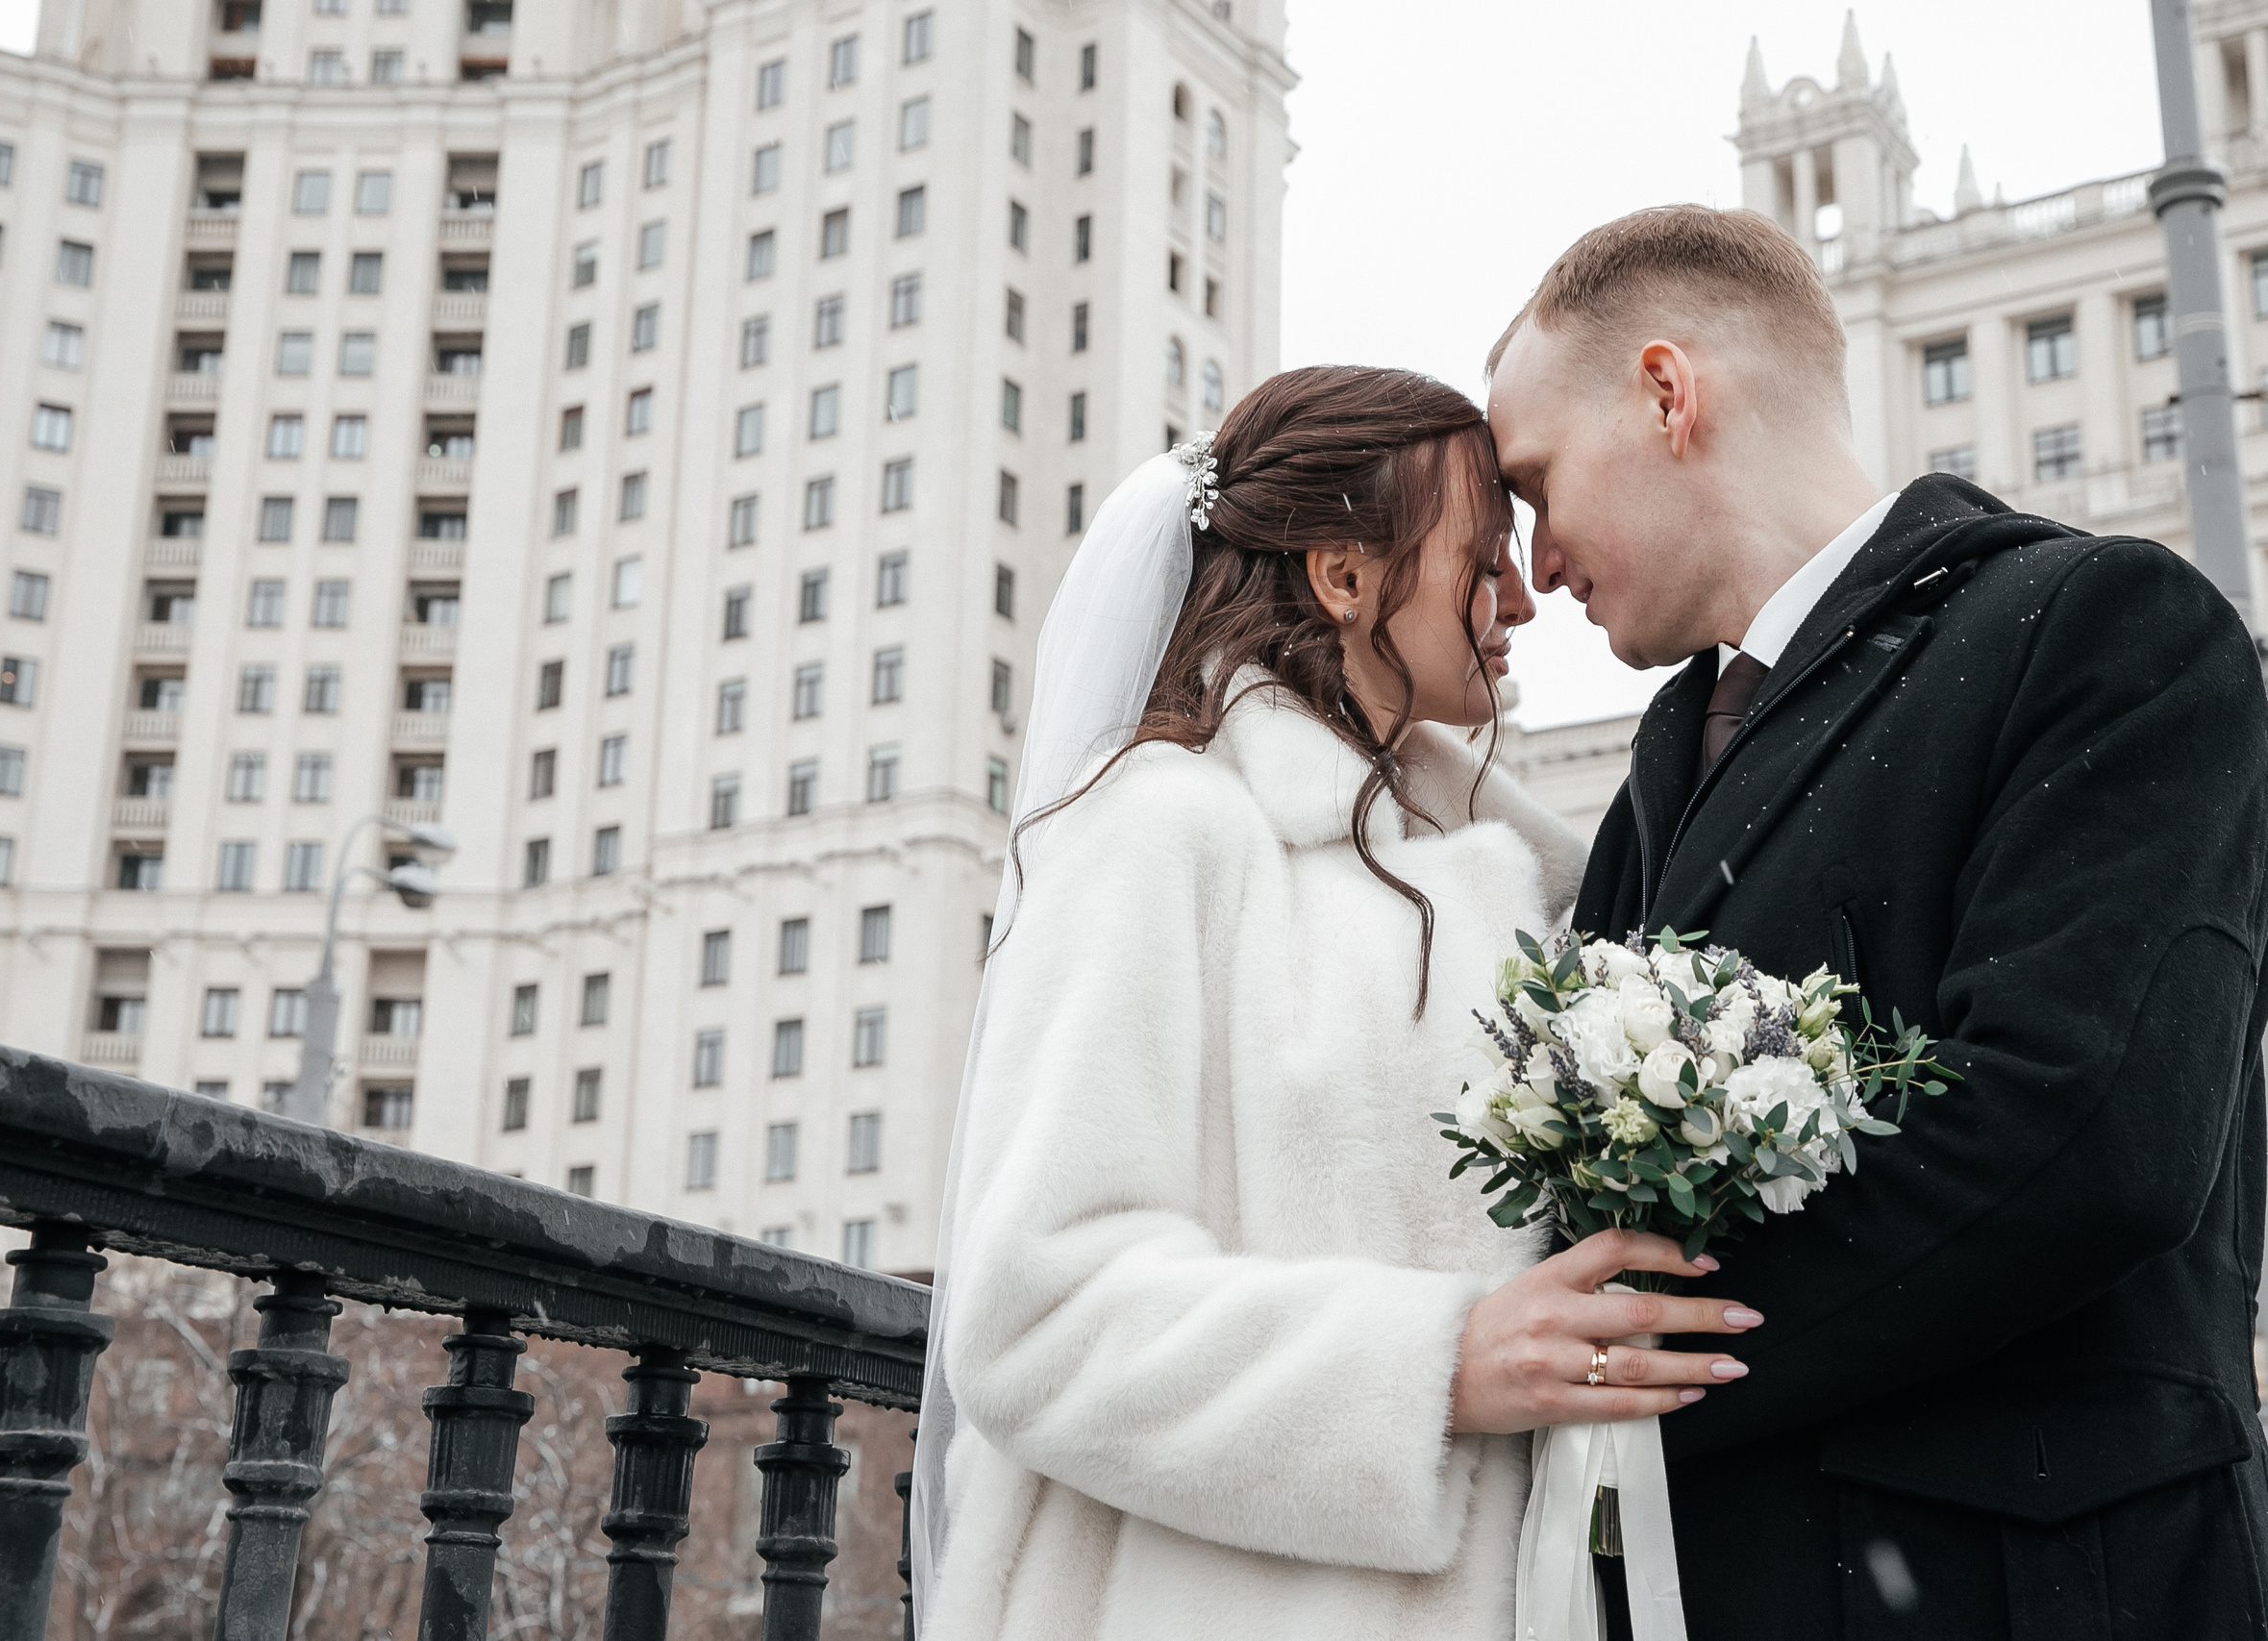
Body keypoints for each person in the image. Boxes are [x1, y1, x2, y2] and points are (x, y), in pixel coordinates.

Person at [1486, 203, 2268, 1639]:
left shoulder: (2100, 626)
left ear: (1667, 393)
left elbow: (2089, 1135)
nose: (1538, 565)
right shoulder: (1657, 771)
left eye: (1538, 485)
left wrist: (1621, 1366)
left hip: (2021, 1592)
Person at [912, 365, 1767, 1641]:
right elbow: (1033, 1313)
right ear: (1346, 575)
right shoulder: (1156, 824)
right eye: (1483, 561)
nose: (1522, 602)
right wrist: (1435, 1366)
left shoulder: (1505, 873)